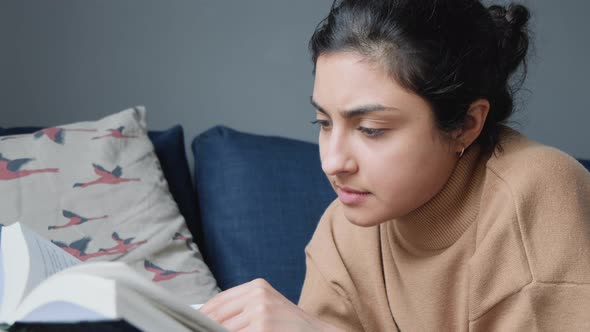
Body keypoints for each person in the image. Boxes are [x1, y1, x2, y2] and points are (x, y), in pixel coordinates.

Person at [200, 0, 590, 330]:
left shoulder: (537, 192)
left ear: (466, 125)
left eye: (371, 129)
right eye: (323, 123)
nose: (332, 162)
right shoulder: (342, 228)